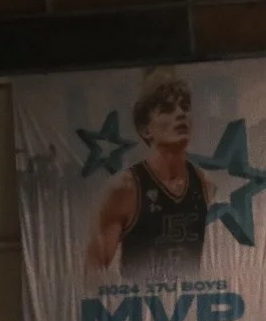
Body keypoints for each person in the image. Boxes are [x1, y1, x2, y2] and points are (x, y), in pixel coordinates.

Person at [86, 74, 211, 275]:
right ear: (146, 130)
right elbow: (93, 272)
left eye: (185, 107)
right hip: (143, 304)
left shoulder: (203, 182)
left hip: (189, 303)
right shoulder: (125, 188)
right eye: (167, 110)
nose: (180, 114)